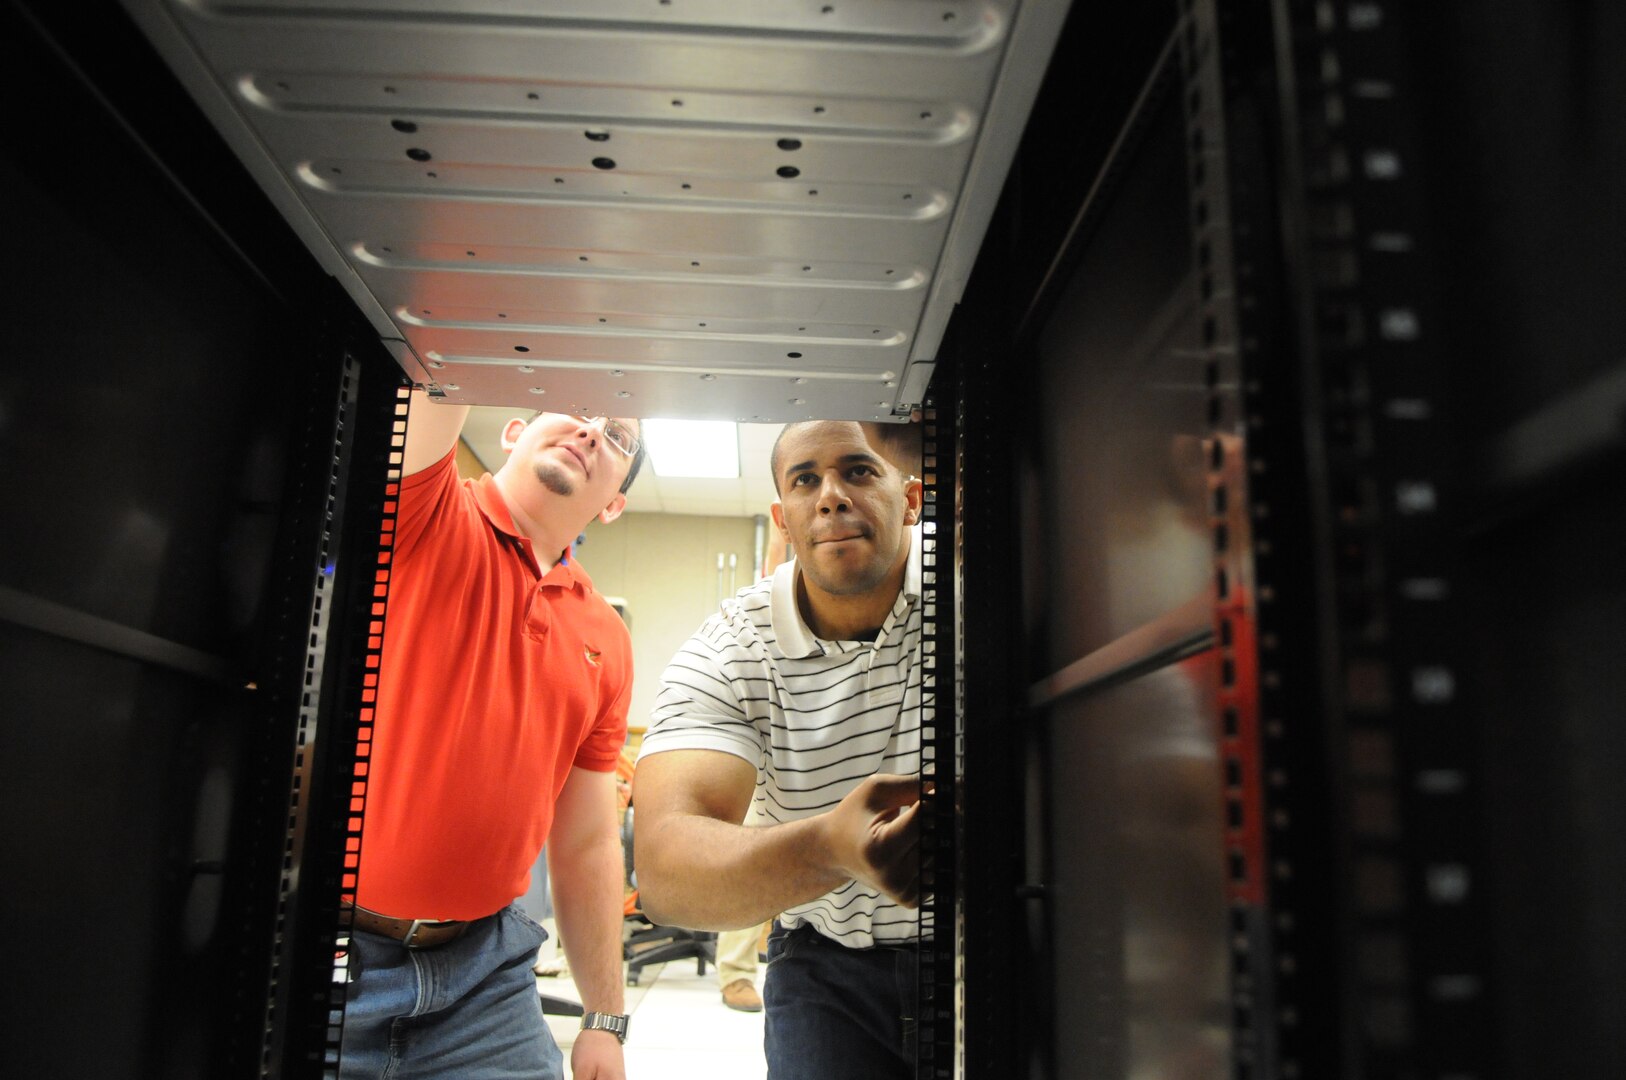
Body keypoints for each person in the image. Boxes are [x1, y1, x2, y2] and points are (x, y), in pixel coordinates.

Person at [339, 390, 646, 1080]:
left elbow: (589, 840)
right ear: (514, 429)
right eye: (576, 406)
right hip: (335, 954)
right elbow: (433, 351)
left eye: (618, 435)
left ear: (613, 504)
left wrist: (604, 1019)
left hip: (484, 977)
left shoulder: (607, 640)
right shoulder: (424, 510)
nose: (592, 430)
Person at [633, 419, 929, 1079]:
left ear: (911, 500)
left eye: (858, 470)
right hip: (826, 968)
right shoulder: (733, 647)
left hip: (991, 949)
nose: (830, 496)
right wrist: (829, 850)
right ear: (784, 520)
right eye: (805, 480)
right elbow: (664, 873)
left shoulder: (979, 577)